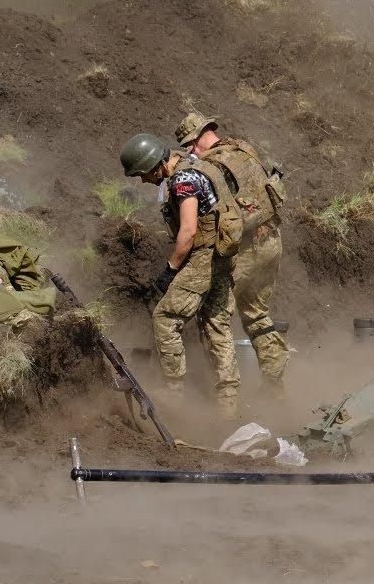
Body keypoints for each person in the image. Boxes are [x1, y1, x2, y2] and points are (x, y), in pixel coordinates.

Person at [119, 131, 240, 414]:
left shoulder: (183, 180)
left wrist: (170, 269)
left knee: (165, 318)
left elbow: (187, 233)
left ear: (155, 165)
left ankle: (174, 392)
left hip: (204, 257)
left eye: (143, 174)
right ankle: (229, 403)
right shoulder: (194, 164)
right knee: (216, 323)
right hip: (223, 255)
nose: (144, 181)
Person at [175, 113, 289, 389]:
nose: (190, 152)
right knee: (257, 314)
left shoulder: (212, 168)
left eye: (190, 145)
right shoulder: (243, 148)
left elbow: (217, 217)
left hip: (246, 249)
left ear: (199, 138)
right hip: (272, 241)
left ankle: (227, 397)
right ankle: (276, 388)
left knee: (215, 316)